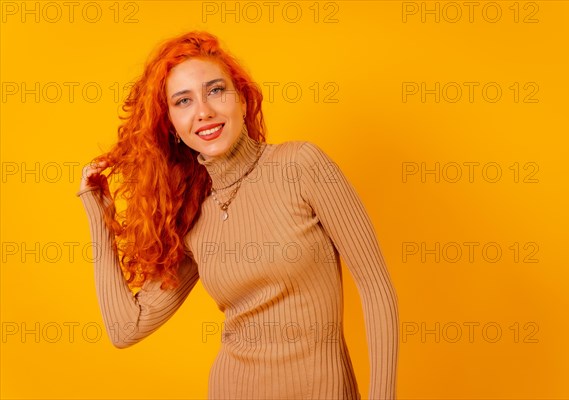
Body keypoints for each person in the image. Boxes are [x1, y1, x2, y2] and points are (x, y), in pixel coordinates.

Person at [77, 31, 399, 399]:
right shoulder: (193, 216)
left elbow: (377, 289)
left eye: (215, 90)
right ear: (172, 127)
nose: (204, 111)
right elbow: (125, 328)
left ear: (242, 100)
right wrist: (98, 208)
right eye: (183, 101)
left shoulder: (301, 166)